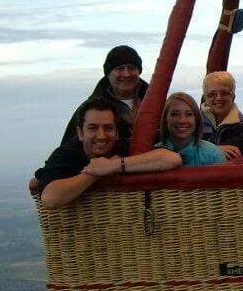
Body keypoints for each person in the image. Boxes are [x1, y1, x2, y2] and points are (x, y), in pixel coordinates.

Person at [36, 97, 181, 209]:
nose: (101, 135)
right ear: (80, 133)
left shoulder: (121, 147)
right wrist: (93, 173)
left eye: (108, 128)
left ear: (117, 133)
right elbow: (50, 198)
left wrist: (114, 165)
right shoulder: (67, 153)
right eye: (93, 128)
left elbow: (172, 158)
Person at [61, 45, 148, 144]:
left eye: (131, 68)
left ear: (139, 72)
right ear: (108, 74)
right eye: (120, 69)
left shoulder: (159, 104)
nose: (126, 74)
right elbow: (69, 147)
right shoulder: (88, 109)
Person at [200, 71, 243, 161]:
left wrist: (204, 148)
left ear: (233, 96)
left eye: (224, 93)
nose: (219, 98)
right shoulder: (193, 122)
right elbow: (183, 147)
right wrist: (215, 149)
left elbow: (241, 149)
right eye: (212, 94)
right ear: (205, 98)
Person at [158, 92, 228, 166]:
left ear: (196, 119)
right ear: (165, 118)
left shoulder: (213, 154)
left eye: (189, 114)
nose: (182, 120)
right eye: (175, 114)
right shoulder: (152, 153)